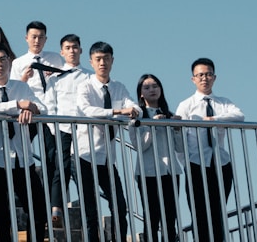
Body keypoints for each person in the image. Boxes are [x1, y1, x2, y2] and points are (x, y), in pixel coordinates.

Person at [0, 42, 48, 242]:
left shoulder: (21, 87)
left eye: (3, 59)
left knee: (39, 211)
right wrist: (17, 105)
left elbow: (43, 108)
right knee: (1, 215)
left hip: (23, 159)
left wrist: (31, 109)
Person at [75, 41, 140, 241]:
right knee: (90, 210)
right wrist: (117, 112)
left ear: (112, 61)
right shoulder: (84, 86)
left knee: (120, 206)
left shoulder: (119, 87)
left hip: (107, 158)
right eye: (98, 59)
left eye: (106, 59)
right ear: (91, 62)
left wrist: (131, 110)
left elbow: (134, 107)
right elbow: (88, 111)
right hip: (85, 155)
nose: (102, 63)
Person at [175, 58, 244, 242]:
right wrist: (186, 163)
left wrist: (213, 119)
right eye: (200, 75)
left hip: (221, 163)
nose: (204, 78)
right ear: (193, 79)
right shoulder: (186, 105)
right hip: (196, 164)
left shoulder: (223, 102)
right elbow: (178, 137)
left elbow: (239, 116)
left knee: (218, 212)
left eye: (208, 74)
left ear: (214, 77)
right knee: (199, 213)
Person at [43, 34, 90, 227]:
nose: (72, 51)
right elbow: (49, 105)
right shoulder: (55, 77)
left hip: (85, 130)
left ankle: (88, 206)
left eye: (75, 47)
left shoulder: (90, 76)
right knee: (60, 168)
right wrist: (55, 130)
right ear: (62, 52)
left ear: (80, 49)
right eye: (68, 48)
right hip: (62, 128)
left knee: (83, 169)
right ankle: (56, 209)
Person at [129, 74, 183, 242]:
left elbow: (180, 148)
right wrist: (152, 125)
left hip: (170, 170)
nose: (152, 90)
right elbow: (140, 146)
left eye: (155, 86)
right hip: (148, 172)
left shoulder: (169, 114)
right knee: (151, 216)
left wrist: (177, 128)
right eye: (146, 87)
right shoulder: (137, 118)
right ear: (141, 94)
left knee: (170, 217)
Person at [10, 21, 64, 101]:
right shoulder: (18, 63)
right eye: (34, 37)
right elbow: (13, 90)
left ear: (45, 39)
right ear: (26, 38)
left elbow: (66, 80)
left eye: (41, 37)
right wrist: (25, 78)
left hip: (54, 104)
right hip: (32, 105)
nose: (37, 41)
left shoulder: (56, 58)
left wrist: (55, 74)